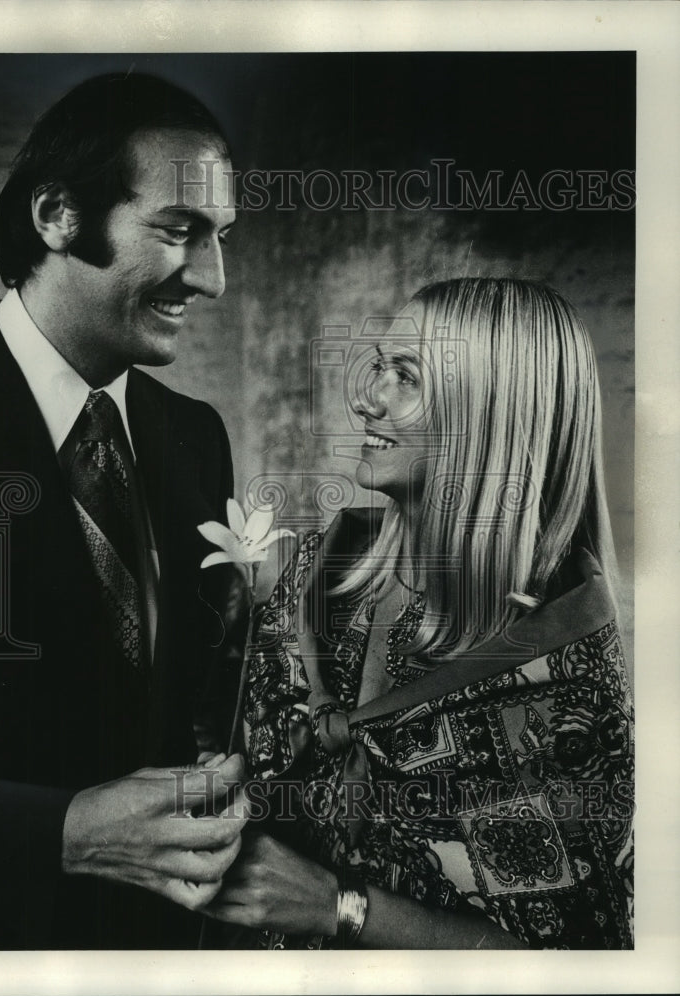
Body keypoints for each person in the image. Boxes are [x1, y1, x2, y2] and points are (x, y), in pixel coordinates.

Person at [201, 278, 634, 949]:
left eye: (405, 376)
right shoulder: (318, 573)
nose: (366, 397)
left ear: (492, 413)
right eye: (377, 366)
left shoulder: (561, 673)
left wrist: (340, 907)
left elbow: (571, 963)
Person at [0, 72, 248, 949]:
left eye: (220, 237)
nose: (214, 279)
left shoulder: (194, 436)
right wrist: (63, 832)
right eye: (181, 231)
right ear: (57, 215)